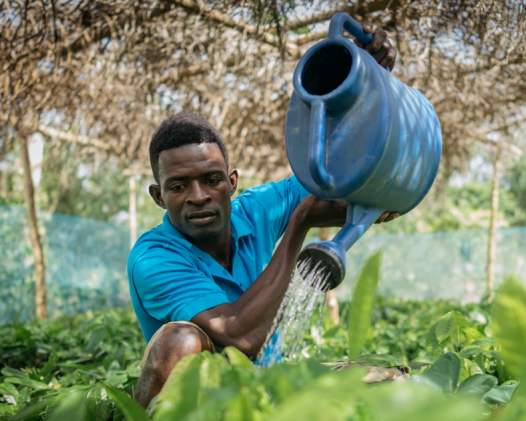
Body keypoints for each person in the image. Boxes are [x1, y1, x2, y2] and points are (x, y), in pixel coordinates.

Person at [128, 23, 399, 408]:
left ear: (232, 182)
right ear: (158, 196)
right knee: (181, 341)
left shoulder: (258, 209)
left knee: (388, 385)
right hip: (203, 402)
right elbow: (240, 337)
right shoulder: (153, 257)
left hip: (266, 384)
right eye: (178, 187)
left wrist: (367, 88)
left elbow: (340, 171)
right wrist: (298, 225)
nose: (199, 196)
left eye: (211, 180)